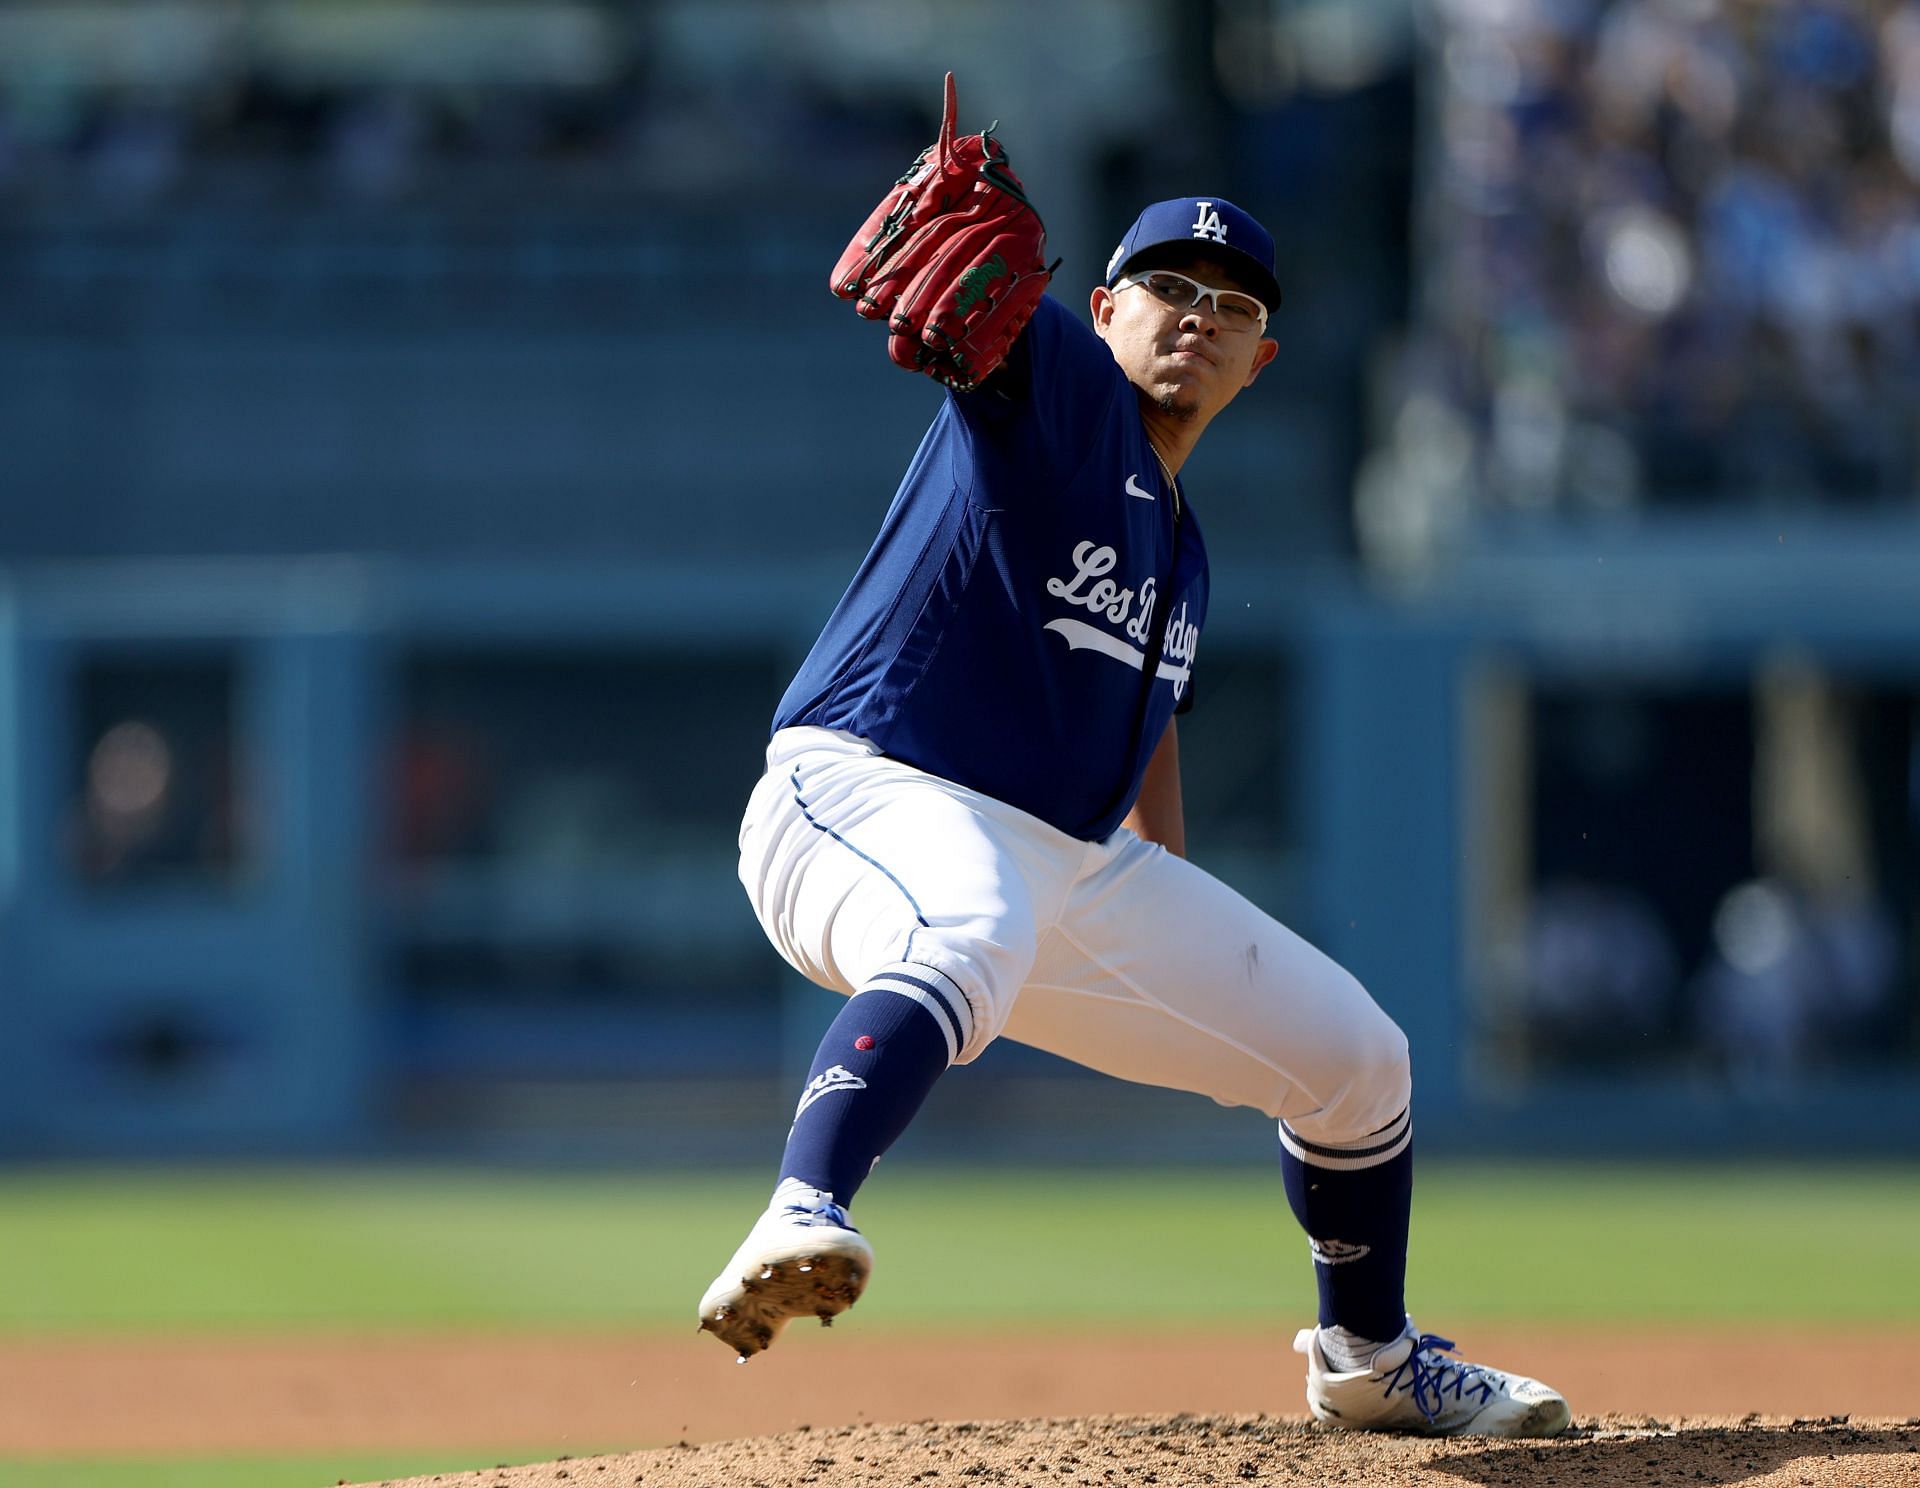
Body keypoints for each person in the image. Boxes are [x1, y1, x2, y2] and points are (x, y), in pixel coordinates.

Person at [697, 120, 1571, 1437]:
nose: (1196, 318)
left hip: (1067, 862)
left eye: (1232, 307)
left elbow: (1142, 720)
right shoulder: (1059, 383)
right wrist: (992, 305)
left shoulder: (1184, 553)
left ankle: (1370, 1359)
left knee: (1356, 1059)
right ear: (1103, 307)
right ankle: (803, 1206)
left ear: (1259, 360)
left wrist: (1170, 895)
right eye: (1168, 288)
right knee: (968, 920)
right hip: (863, 793)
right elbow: (981, 331)